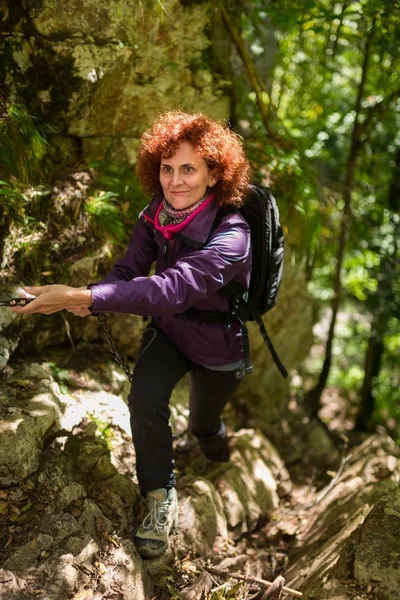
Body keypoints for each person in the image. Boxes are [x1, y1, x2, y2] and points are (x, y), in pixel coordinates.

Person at [12, 110, 252, 558]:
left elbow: (173, 288)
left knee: (204, 423)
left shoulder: (233, 236)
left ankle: (220, 459)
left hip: (219, 344)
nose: (175, 181)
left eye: (188, 169)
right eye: (166, 168)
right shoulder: (154, 216)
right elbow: (128, 271)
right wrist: (85, 295)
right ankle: (160, 498)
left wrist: (89, 296)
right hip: (168, 333)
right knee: (144, 400)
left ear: (214, 174)